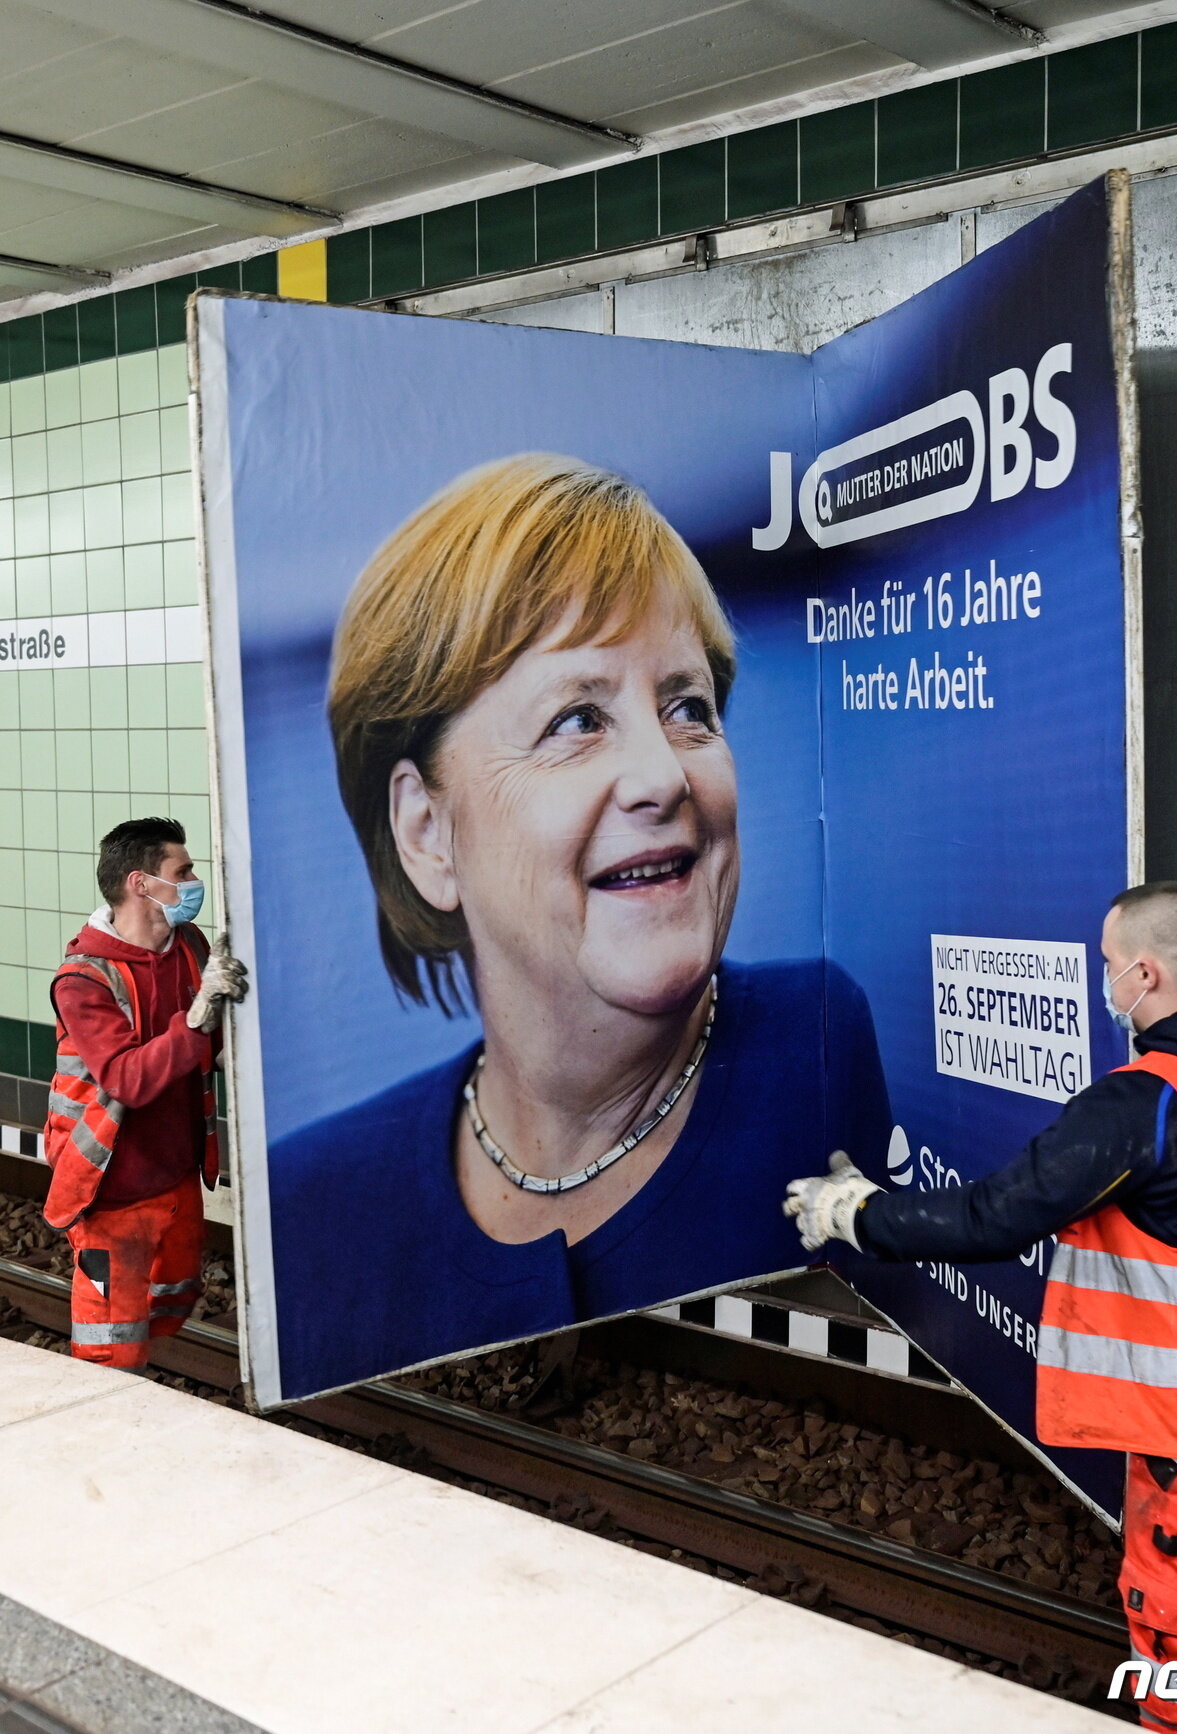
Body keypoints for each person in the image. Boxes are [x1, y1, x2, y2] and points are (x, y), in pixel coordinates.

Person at [268, 454, 890, 1398]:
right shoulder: (309, 1204)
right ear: (428, 833)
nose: (663, 775)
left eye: (688, 707)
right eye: (576, 720)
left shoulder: (817, 1052)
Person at [785, 882, 1177, 1734]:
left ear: (1145, 973)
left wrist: (857, 1214)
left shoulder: (1148, 1104)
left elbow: (994, 1214)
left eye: (1105, 967)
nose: (1103, 985)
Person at [45, 818, 248, 1369]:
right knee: (111, 1346)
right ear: (140, 884)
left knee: (168, 1305)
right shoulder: (84, 979)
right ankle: (107, 1423)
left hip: (177, 1175)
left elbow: (212, 1044)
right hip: (112, 1189)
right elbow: (127, 1079)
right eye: (182, 872)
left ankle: (143, 1398)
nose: (193, 881)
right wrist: (199, 1018)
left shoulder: (189, 946)